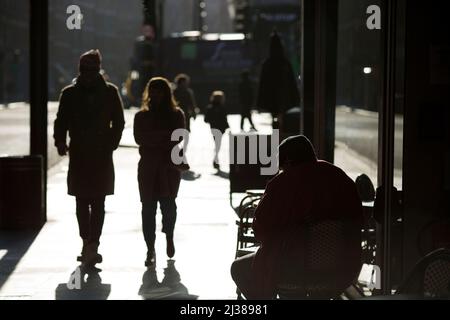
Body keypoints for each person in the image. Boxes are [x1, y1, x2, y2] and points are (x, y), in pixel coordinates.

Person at [230, 135, 363, 299]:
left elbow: (261, 230)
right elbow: (357, 221)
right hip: (341, 268)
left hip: (291, 269)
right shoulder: (340, 178)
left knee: (238, 268)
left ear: (288, 161)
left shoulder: (282, 183)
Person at [53, 49, 125, 267]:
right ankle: (87, 241)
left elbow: (119, 122)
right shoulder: (69, 93)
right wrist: (60, 141)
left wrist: (111, 143)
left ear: (98, 69)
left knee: (99, 201)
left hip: (101, 154)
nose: (88, 74)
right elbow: (61, 120)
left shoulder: (110, 92)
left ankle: (93, 243)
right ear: (80, 70)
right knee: (81, 200)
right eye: (85, 70)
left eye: (92, 69)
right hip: (80, 154)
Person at [133, 77, 186, 267]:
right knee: (148, 209)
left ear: (166, 93)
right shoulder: (141, 116)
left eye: (159, 91)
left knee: (169, 206)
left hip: (169, 167)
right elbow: (140, 138)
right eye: (152, 90)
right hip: (148, 167)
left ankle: (169, 236)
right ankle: (150, 249)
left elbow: (179, 136)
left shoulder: (176, 114)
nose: (155, 94)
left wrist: (154, 139)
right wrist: (163, 138)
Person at [256, 31, 300, 129]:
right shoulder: (285, 63)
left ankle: (276, 132)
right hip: (284, 95)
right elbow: (291, 81)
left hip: (271, 94)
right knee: (282, 116)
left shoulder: (267, 64)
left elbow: (263, 84)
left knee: (275, 115)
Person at [204, 90, 229, 170]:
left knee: (217, 143)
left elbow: (206, 119)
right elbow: (225, 119)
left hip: (214, 128)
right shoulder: (222, 107)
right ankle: (216, 159)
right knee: (218, 144)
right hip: (220, 128)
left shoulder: (210, 107)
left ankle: (216, 159)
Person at [173, 73, 197, 153]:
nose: (186, 84)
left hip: (185, 114)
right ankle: (179, 147)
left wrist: (193, 113)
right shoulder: (174, 92)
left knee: (185, 131)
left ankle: (181, 148)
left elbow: (192, 103)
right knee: (178, 130)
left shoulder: (188, 92)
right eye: (184, 82)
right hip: (176, 114)